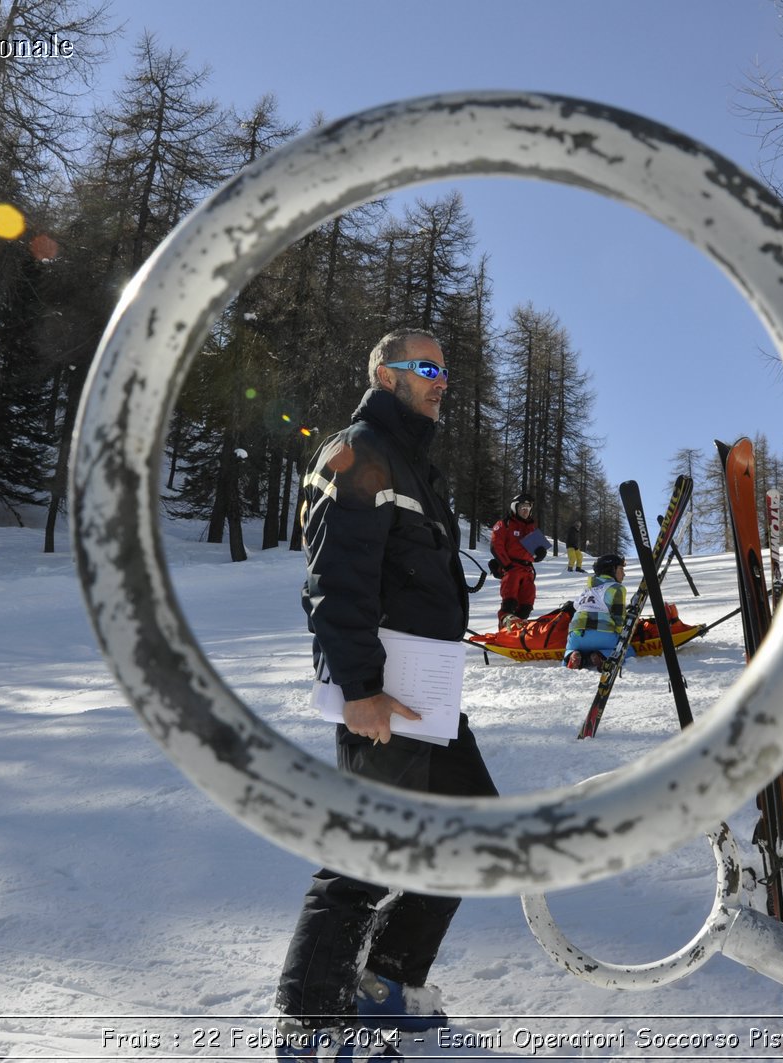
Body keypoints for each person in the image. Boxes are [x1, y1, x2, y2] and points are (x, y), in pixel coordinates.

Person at [275, 328, 499, 1060]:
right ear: (385, 371)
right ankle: (310, 1022)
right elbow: (334, 582)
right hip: (382, 690)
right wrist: (360, 689)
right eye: (426, 367)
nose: (441, 381)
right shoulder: (360, 449)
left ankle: (388, 980)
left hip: (426, 693)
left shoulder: (409, 459)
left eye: (445, 370)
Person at [489, 493, 547, 629]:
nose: (525, 511)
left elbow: (538, 554)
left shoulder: (532, 527)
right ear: (515, 508)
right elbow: (496, 546)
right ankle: (504, 631)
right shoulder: (505, 524)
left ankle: (517, 632)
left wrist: (541, 552)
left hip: (527, 571)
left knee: (526, 605)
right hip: (512, 569)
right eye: (522, 507)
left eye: (528, 508)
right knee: (510, 603)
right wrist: (507, 566)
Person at [563, 554, 627, 671]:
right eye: (621, 569)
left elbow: (576, 606)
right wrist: (620, 634)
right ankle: (601, 656)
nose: (624, 574)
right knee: (627, 651)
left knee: (572, 648)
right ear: (612, 569)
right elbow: (619, 617)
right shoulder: (617, 588)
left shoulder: (588, 588)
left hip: (576, 636)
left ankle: (573, 655)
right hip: (602, 635)